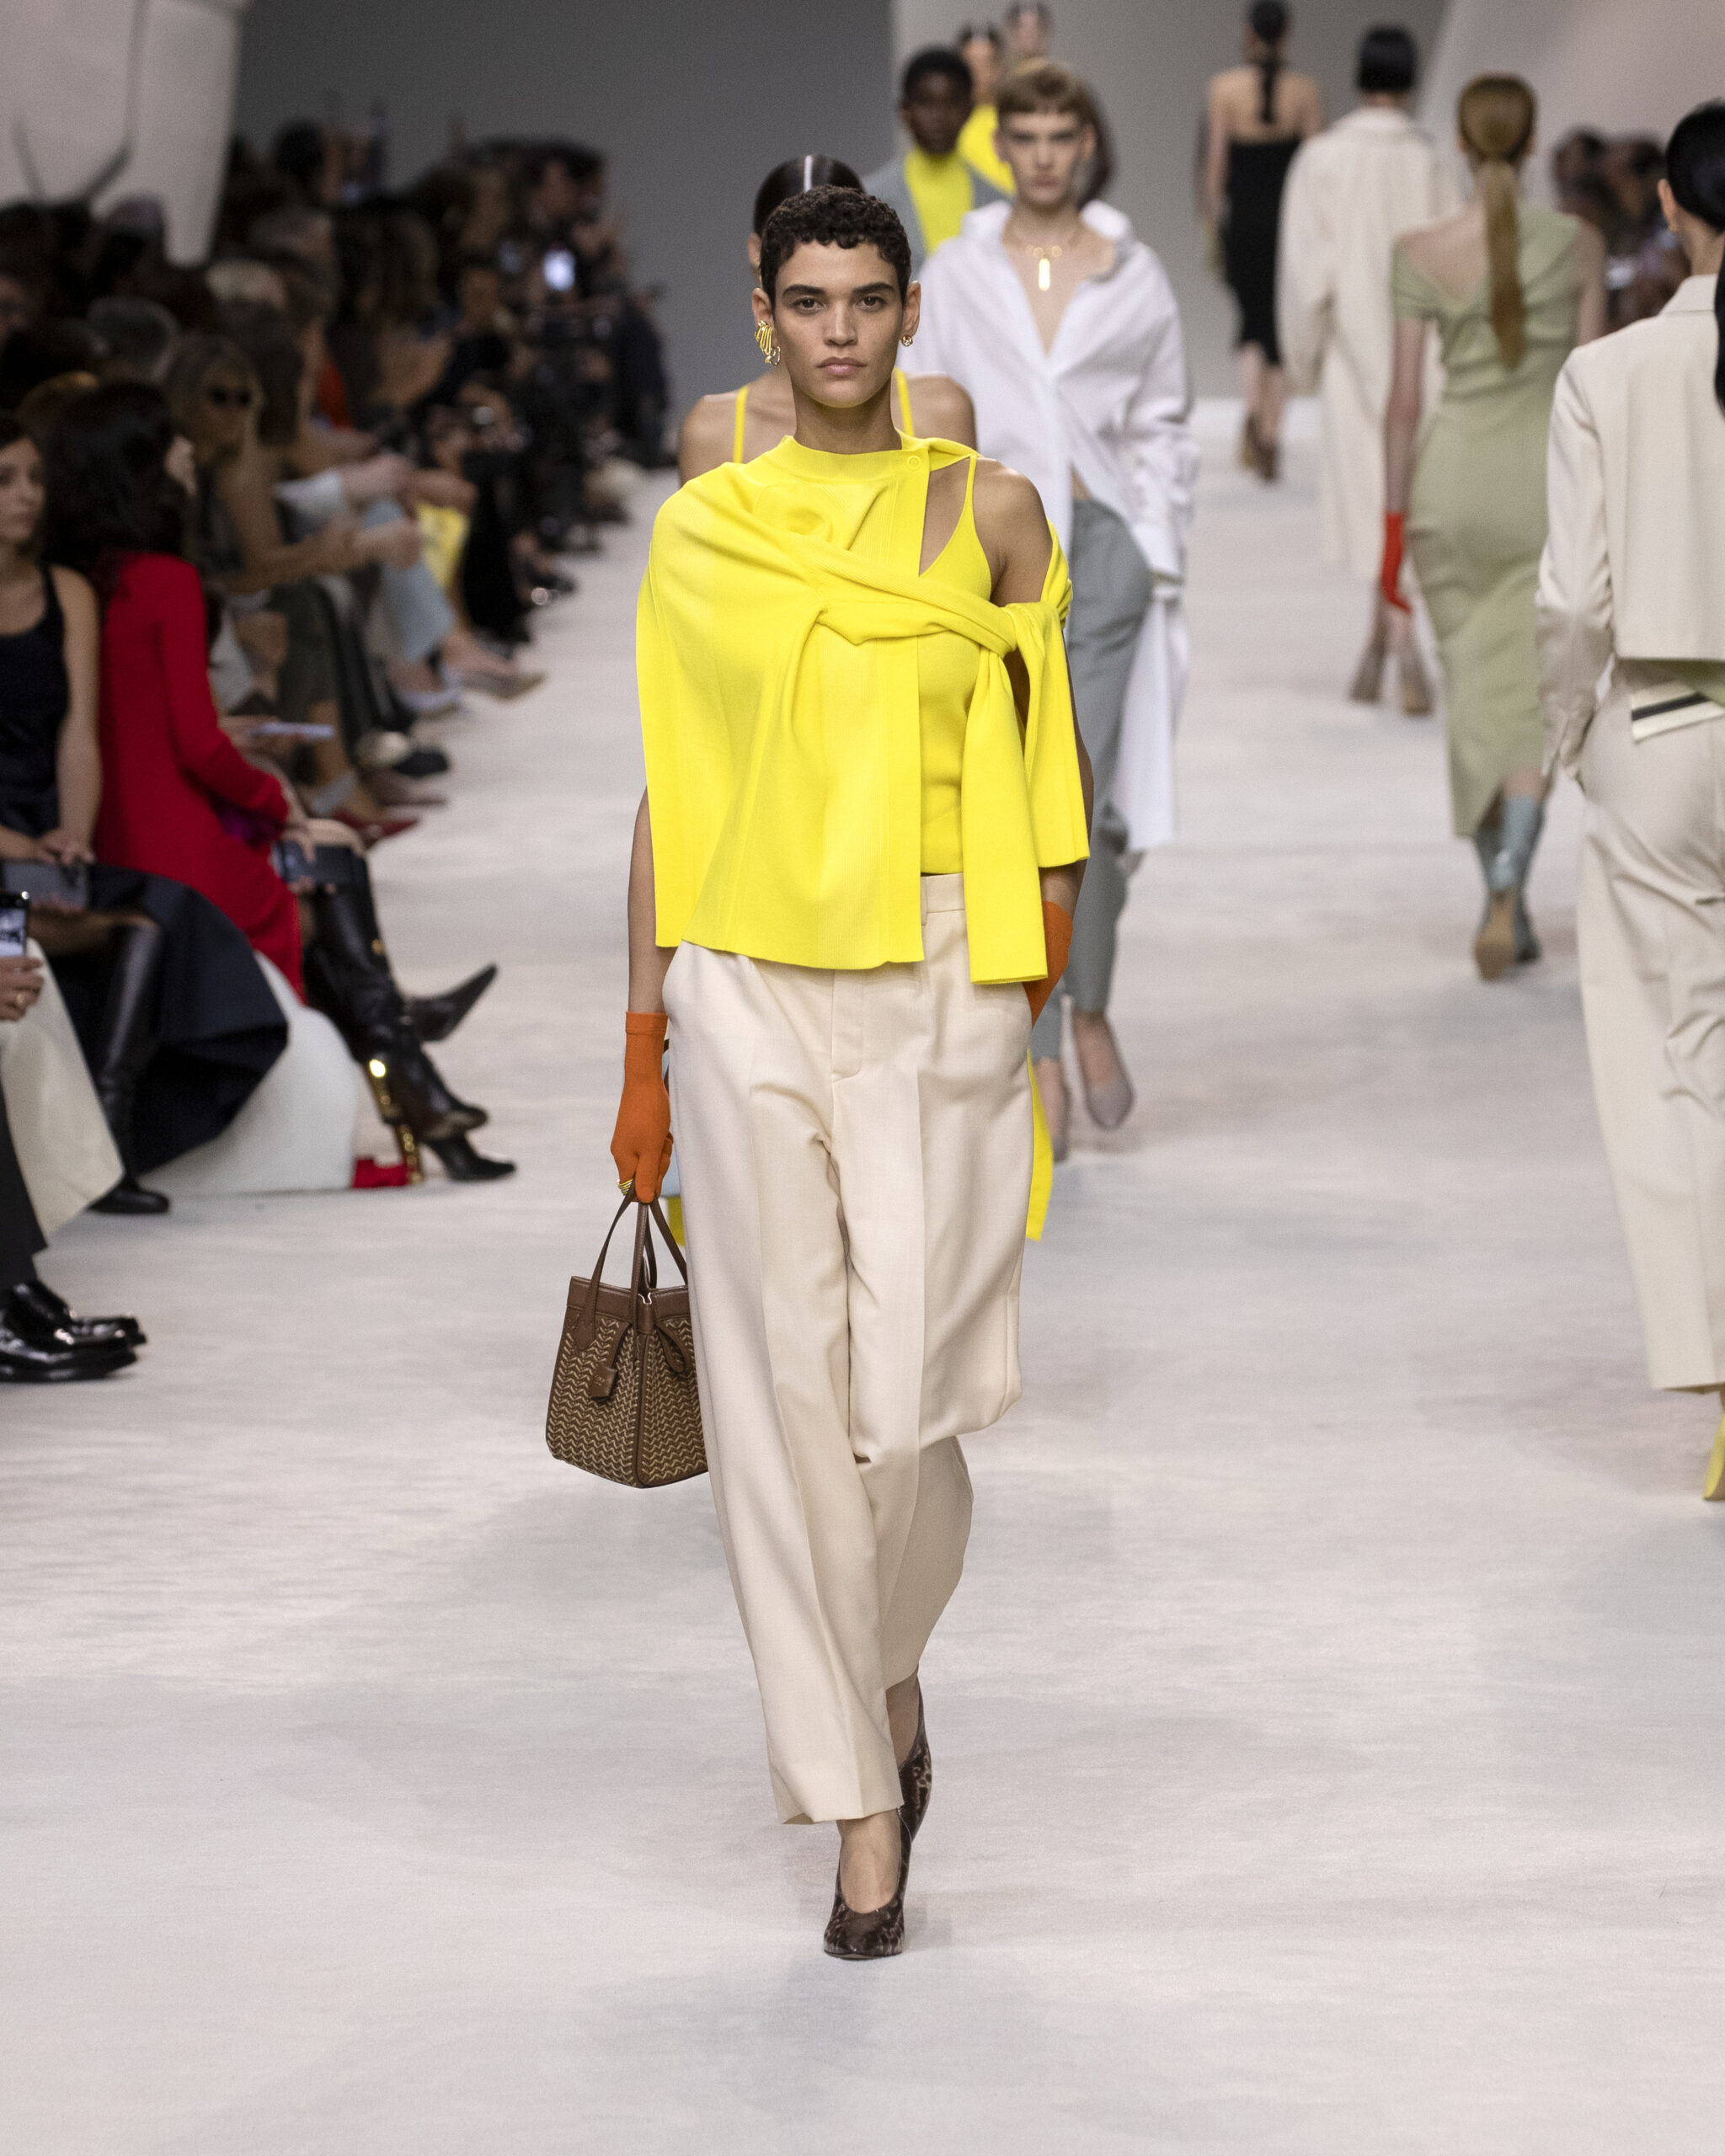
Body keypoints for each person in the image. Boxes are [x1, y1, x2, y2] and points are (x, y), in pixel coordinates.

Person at [613, 186, 1091, 1958]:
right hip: (747, 977)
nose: (837, 329)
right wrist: (644, 1039)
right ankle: (858, 1809)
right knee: (778, 1404)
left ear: (906, 316)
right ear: (763, 312)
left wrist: (1037, 980)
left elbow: (1051, 777)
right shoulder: (705, 534)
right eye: (807, 300)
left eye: (867, 299)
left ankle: (885, 1667)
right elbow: (671, 787)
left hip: (943, 970)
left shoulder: (993, 514)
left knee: (910, 1399)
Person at [916, 59, 1197, 1154]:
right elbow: (923, 411)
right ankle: (1040, 1046)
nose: (1041, 156)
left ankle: (1089, 1009)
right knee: (1012, 803)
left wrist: (1155, 530)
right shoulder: (956, 268)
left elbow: (1164, 417)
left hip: (1108, 549)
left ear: (1086, 144)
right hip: (994, 560)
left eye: (1058, 136)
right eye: (1024, 137)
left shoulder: (1133, 270)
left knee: (1094, 805)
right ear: (1001, 147)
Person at [1536, 101, 1725, 1496]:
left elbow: (1571, 603)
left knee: (1681, 1062)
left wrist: (1567, 740)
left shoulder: (1610, 372)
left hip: (1662, 729)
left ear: (1667, 204)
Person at [1384, 75, 1605, 979]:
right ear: (1531, 140)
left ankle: (1498, 892)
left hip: (1452, 487)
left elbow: (1402, 404)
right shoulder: (1580, 244)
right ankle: (1510, 874)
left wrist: (1391, 529)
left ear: (1461, 144)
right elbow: (1592, 387)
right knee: (1529, 697)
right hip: (1545, 485)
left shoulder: (1418, 250)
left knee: (1475, 695)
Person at [1277, 24, 1451, 712]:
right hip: (1425, 351)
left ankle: (1393, 642)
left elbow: (1305, 272)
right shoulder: (1432, 161)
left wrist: (1302, 358)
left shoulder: (1323, 159)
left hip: (1354, 352)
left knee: (1376, 498)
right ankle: (1391, 641)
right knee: (1407, 495)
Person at [677, 157, 976, 478]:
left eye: (843, 228)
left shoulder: (939, 409)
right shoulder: (715, 431)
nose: (839, 331)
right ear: (758, 252)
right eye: (788, 235)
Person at [1204, 2, 1322, 480]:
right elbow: (1315, 168)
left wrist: (1213, 223)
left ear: (1248, 33)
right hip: (1289, 224)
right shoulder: (1305, 92)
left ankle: (1253, 409)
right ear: (1286, 35)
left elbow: (1216, 164)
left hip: (1245, 222)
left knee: (1250, 322)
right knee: (1282, 329)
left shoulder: (1224, 89)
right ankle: (1271, 430)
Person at [864, 48, 1010, 276]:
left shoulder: (1000, 206)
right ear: (905, 110)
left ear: (969, 110)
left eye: (952, 103)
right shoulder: (867, 200)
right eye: (925, 103)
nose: (938, 116)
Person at [957, 24, 1015, 194]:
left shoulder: (1016, 118)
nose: (978, 71)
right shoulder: (949, 123)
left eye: (987, 63)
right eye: (971, 64)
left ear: (1001, 66)